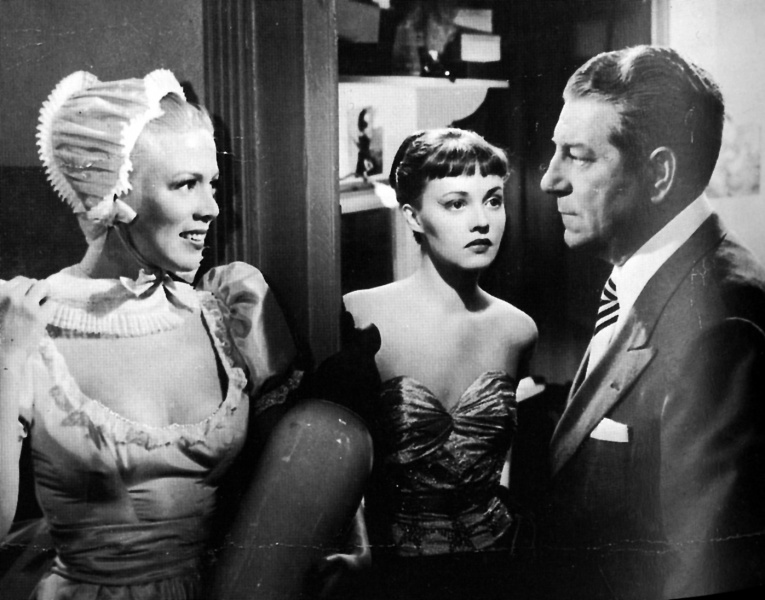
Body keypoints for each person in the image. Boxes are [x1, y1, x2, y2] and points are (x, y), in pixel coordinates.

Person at [0, 69, 306, 599]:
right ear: (113, 194)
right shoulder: (25, 321)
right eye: (186, 184)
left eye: (213, 183)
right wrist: (7, 362)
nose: (212, 207)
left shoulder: (225, 312)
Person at [537, 45, 765, 599]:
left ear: (659, 174)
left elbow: (707, 573)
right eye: (554, 152)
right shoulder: (643, 272)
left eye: (578, 157)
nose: (549, 180)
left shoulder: (722, 325)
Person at [307, 127, 537, 599]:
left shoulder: (518, 331)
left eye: (493, 200)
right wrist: (361, 549)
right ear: (413, 216)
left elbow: (503, 461)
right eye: (456, 204)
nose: (482, 222)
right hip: (394, 576)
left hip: (498, 571)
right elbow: (330, 457)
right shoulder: (359, 314)